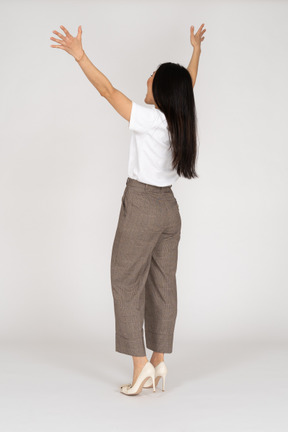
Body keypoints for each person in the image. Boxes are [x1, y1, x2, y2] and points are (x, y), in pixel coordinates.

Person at [50, 23, 206, 395]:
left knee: (124, 280)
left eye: (153, 77)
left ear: (164, 92)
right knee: (163, 284)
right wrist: (195, 51)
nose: (147, 78)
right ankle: (158, 360)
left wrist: (80, 56)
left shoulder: (150, 120)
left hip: (142, 205)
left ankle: (140, 369)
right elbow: (189, 83)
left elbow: (107, 91)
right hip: (170, 209)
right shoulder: (179, 120)